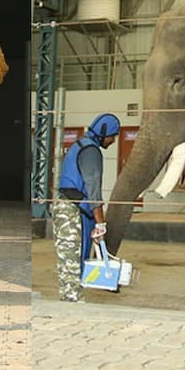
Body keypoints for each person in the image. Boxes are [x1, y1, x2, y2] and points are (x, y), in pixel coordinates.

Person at [52, 113, 121, 302]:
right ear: (103, 133)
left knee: (70, 263)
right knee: (72, 265)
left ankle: (71, 300)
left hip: (69, 209)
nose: (113, 140)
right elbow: (94, 192)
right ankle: (72, 305)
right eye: (112, 136)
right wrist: (101, 224)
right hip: (72, 213)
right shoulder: (91, 152)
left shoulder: (80, 145)